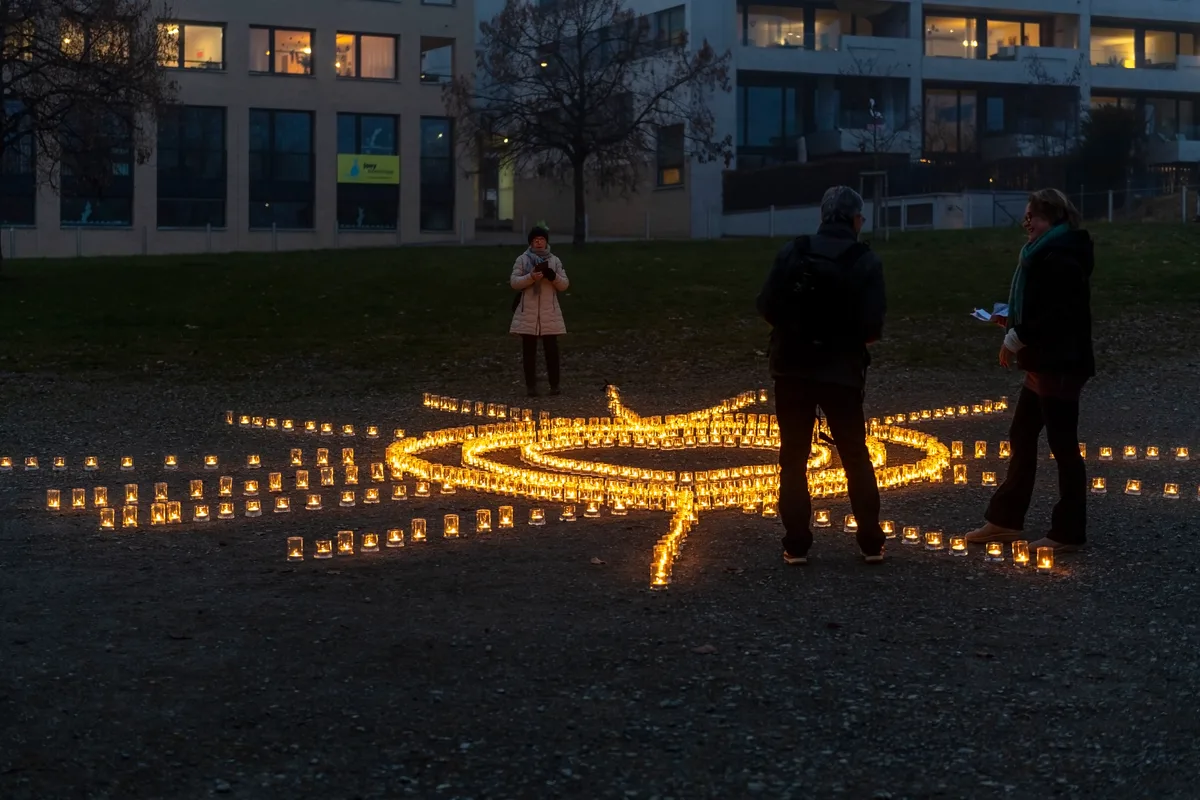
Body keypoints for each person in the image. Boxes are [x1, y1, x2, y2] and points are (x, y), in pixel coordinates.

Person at [756, 186, 887, 565]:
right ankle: (870, 540)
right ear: (856, 219)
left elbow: (766, 304)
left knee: (793, 457)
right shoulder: (864, 260)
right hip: (841, 373)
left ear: (823, 216)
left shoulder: (794, 251)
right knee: (855, 454)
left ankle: (796, 542)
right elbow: (873, 326)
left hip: (791, 368)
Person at [964, 188, 1095, 553]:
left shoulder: (1062, 258)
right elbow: (1041, 309)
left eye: (1032, 217)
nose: (1026, 223)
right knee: (1022, 435)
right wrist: (1013, 323)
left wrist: (1017, 336)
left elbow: (1058, 317)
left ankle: (1069, 530)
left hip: (1060, 365)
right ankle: (1005, 519)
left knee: (1063, 445)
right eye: (1026, 217)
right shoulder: (1043, 255)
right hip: (1044, 363)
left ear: (1051, 218)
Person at [510, 224, 569, 397]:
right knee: (529, 352)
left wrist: (552, 276)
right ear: (530, 242)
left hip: (549, 314)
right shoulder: (522, 260)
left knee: (552, 351)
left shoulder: (554, 260)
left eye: (542, 239)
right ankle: (531, 387)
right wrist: (530, 277)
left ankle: (555, 385)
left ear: (546, 242)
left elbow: (564, 284)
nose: (539, 243)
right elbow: (514, 282)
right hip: (527, 313)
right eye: (535, 240)